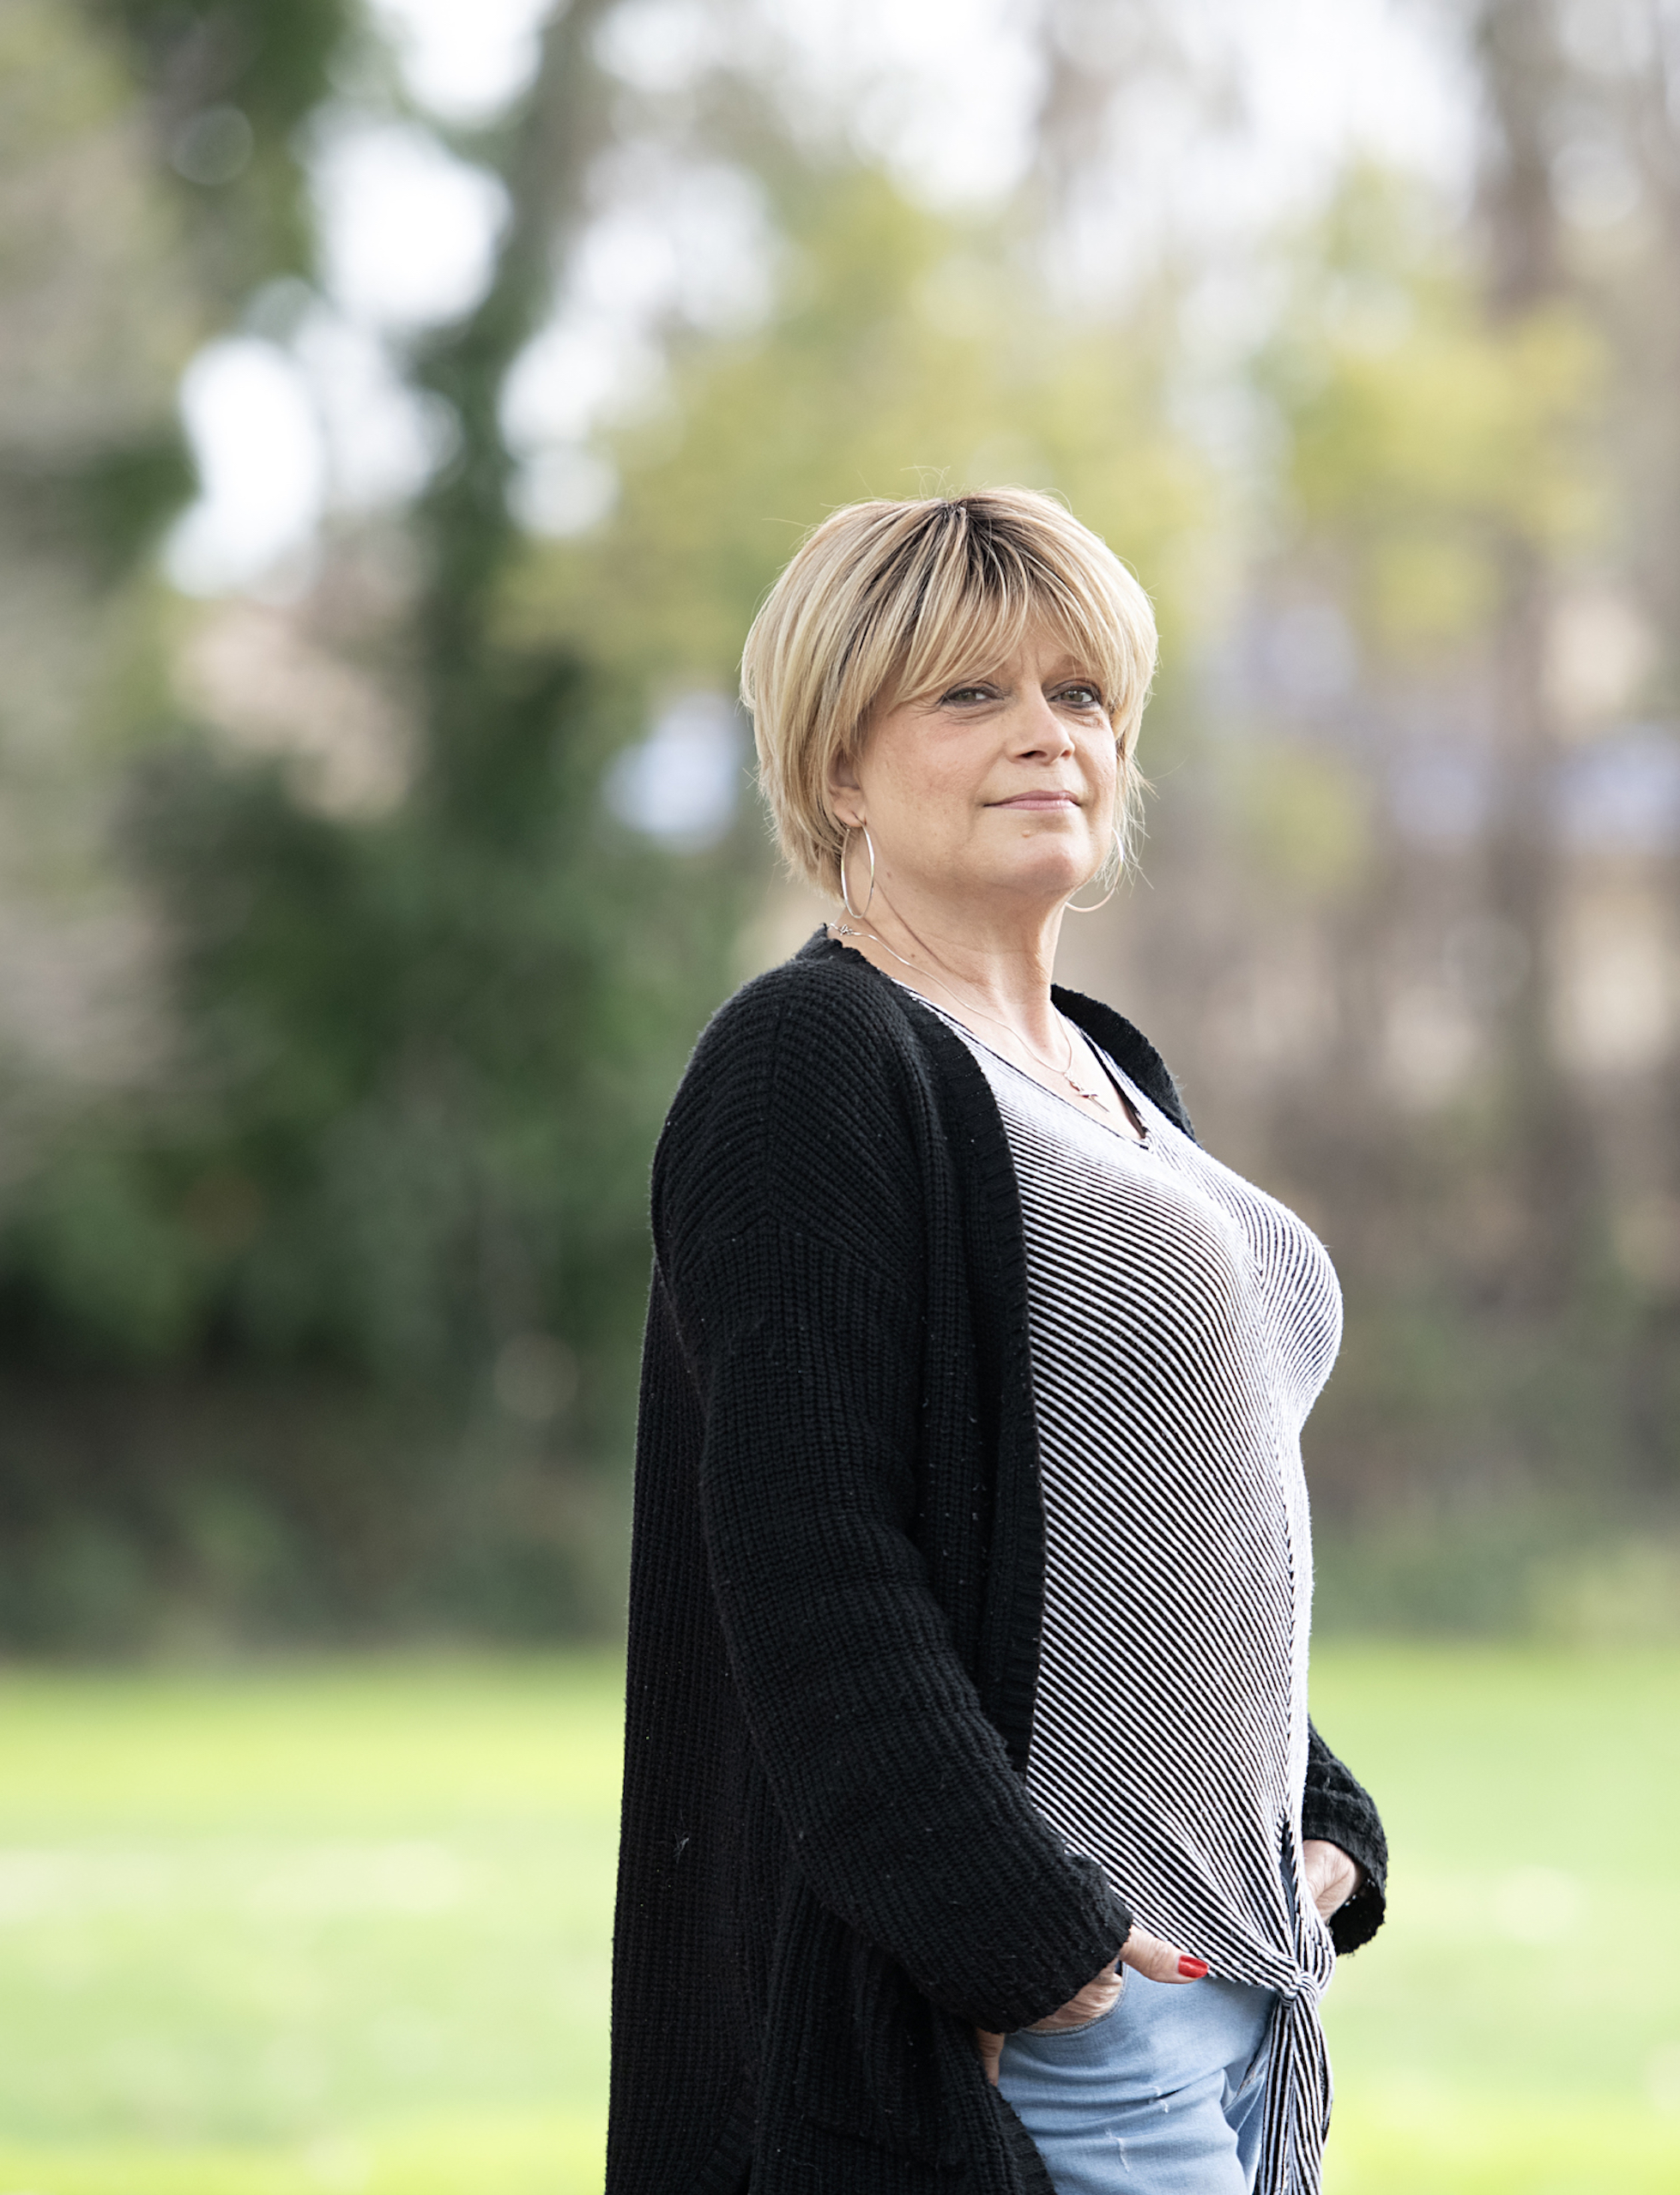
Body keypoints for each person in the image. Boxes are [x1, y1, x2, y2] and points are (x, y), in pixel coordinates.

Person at [607, 487, 1391, 2194]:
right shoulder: (813, 1059)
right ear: (835, 767)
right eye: (971, 696)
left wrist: (1317, 1818)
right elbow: (815, 1564)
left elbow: (1141, 1522)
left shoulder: (1107, 1071)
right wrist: (1039, 1955)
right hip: (1051, 2042)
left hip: (1245, 1999)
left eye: (1082, 695)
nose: (1048, 735)